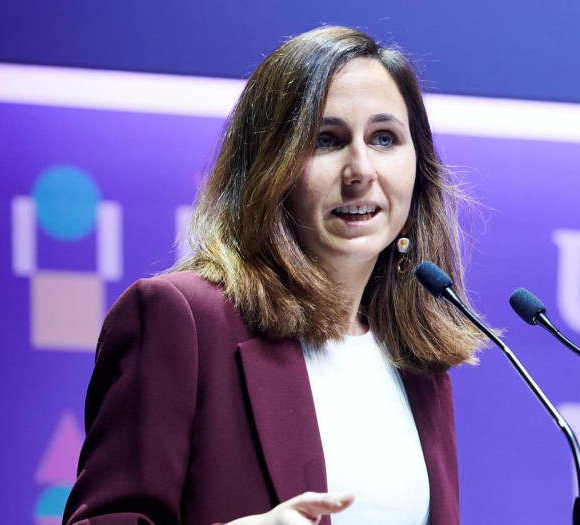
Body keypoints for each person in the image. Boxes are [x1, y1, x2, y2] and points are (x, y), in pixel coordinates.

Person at [63, 25, 484, 525]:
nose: (360, 170)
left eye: (385, 138)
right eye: (326, 140)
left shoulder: (416, 361)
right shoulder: (183, 320)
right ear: (270, 165)